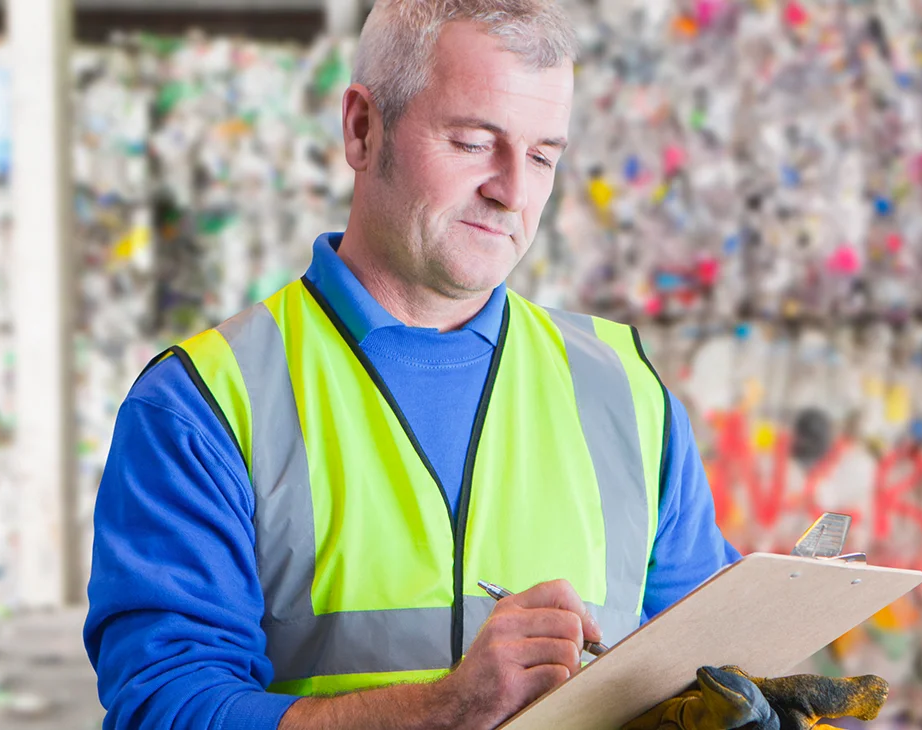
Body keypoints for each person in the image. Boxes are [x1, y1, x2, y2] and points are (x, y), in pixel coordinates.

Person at [82, 2, 742, 728]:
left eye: (542, 156)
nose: (512, 191)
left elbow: (703, 664)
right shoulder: (205, 403)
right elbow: (165, 707)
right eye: (473, 142)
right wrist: (445, 709)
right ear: (363, 129)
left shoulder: (625, 389)